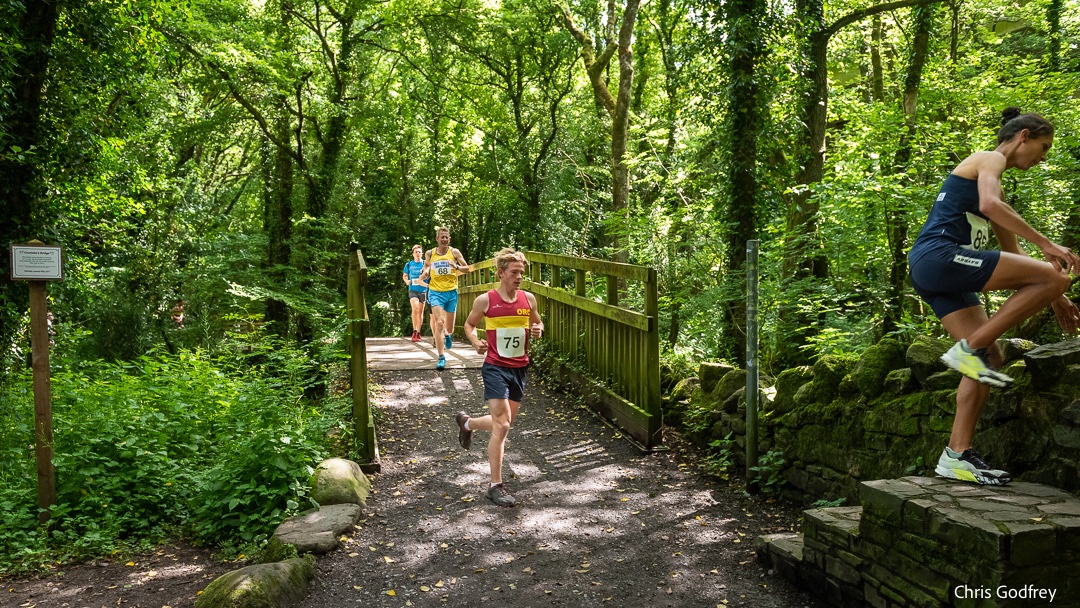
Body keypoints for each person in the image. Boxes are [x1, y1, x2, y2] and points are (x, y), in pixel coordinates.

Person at [908, 107, 1080, 486]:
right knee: (983, 344)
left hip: (938, 270)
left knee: (990, 356)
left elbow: (1014, 255)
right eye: (1043, 146)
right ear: (1024, 136)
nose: (1043, 157)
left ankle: (956, 456)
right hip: (940, 256)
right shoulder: (987, 159)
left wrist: (1054, 294)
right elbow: (988, 205)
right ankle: (968, 349)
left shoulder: (996, 185)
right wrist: (1049, 246)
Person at [454, 248, 544, 507]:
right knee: (502, 425)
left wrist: (538, 329)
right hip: (495, 367)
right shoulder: (486, 300)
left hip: (520, 368)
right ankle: (495, 485)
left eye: (522, 273)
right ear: (501, 273)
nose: (519, 277)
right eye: (514, 272)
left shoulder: (528, 299)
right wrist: (474, 341)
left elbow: (538, 323)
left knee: (501, 423)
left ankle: (467, 424)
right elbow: (469, 325)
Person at [420, 227, 470, 370]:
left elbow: (468, 268)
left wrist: (457, 266)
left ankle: (448, 334)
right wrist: (425, 273)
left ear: (449, 239)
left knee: (449, 327)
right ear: (437, 239)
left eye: (446, 237)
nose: (444, 240)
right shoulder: (430, 253)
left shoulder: (454, 252)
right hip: (435, 292)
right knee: (439, 322)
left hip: (451, 292)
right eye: (442, 237)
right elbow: (427, 267)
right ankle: (441, 357)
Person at [402, 244, 428, 342]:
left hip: (423, 290)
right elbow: (404, 275)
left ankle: (418, 332)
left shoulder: (425, 263)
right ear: (413, 254)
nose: (418, 253)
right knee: (415, 308)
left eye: (419, 252)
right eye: (416, 252)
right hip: (412, 289)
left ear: (422, 254)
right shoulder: (409, 264)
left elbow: (429, 274)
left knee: (420, 312)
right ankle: (414, 331)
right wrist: (406, 281)